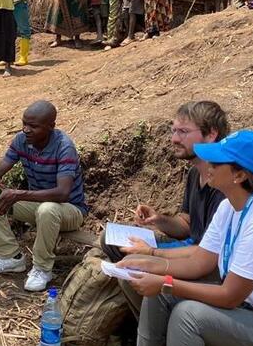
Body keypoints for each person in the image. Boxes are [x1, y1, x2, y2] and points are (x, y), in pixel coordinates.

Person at [119, 130, 253, 346]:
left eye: (217, 162)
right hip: (252, 313)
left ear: (240, 176)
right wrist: (149, 265)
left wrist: (165, 283)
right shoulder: (229, 207)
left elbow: (229, 297)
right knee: (161, 294)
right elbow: (198, 263)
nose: (208, 164)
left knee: (188, 316)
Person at [98, 101, 229, 318]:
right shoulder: (195, 173)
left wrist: (151, 253)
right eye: (173, 130)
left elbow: (206, 254)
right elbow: (186, 224)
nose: (174, 139)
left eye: (183, 132)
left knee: (134, 266)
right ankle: (145, 320)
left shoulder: (224, 184)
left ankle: (158, 325)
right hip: (189, 247)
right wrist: (158, 220)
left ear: (211, 134)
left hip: (204, 264)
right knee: (109, 238)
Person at [0, 101, 88, 292]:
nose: (26, 129)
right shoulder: (22, 140)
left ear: (51, 126)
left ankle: (42, 268)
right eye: (24, 123)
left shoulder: (64, 147)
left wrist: (19, 194)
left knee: (48, 209)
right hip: (40, 206)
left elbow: (62, 193)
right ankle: (10, 257)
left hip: (70, 211)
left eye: (33, 126)